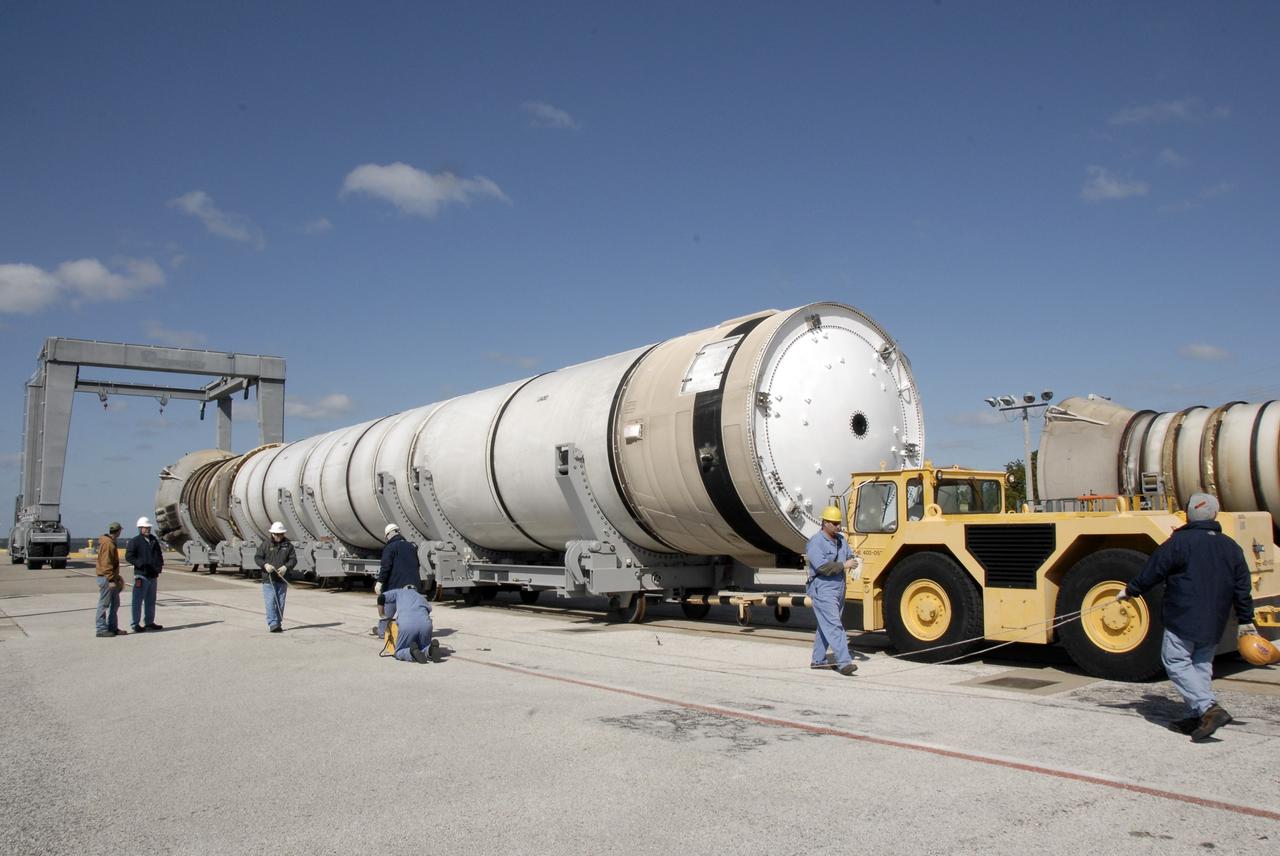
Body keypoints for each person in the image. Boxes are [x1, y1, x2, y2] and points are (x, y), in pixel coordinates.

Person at [1119, 492, 1255, 742]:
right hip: (1216, 618)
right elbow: (1242, 586)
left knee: (1175, 660)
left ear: (1188, 514)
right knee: (1200, 665)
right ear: (1214, 514)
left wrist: (1130, 591)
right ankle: (1198, 716)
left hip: (1184, 614)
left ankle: (1207, 708)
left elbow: (1153, 571)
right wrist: (1246, 620)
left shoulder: (1179, 542)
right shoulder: (1230, 546)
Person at [805, 505, 860, 676]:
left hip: (839, 587)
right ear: (824, 523)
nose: (838, 526)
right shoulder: (816, 542)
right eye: (834, 523)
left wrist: (856, 560)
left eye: (839, 523)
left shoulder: (841, 540)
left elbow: (849, 555)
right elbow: (822, 567)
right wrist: (844, 565)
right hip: (823, 588)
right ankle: (844, 663)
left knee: (825, 626)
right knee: (834, 625)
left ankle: (818, 660)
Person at [371, 523, 421, 637]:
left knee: (388, 608)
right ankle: (409, 632)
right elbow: (417, 565)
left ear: (388, 534)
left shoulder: (390, 547)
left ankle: (383, 631)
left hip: (396, 585)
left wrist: (379, 582)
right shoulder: (411, 546)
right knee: (408, 611)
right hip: (413, 585)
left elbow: (386, 567)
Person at [378, 585, 439, 664]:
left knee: (399, 651)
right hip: (425, 625)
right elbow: (427, 611)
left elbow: (381, 597)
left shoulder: (398, 592)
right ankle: (430, 650)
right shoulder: (421, 597)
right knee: (423, 647)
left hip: (407, 624)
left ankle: (411, 652)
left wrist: (382, 614)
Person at [255, 521, 297, 633]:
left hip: (282, 579)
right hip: (268, 579)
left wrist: (285, 567)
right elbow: (258, 557)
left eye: (281, 534)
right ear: (272, 534)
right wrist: (265, 565)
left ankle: (278, 623)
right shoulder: (265, 545)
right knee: (270, 601)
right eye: (276, 534)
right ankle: (273, 624)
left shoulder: (288, 546)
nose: (279, 536)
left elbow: (293, 560)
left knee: (280, 602)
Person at [125, 516, 164, 632]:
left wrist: (159, 565)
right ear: (140, 528)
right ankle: (135, 624)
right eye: (145, 528)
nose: (147, 529)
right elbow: (129, 556)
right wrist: (140, 564)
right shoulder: (135, 541)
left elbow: (158, 554)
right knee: (137, 601)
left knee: (151, 601)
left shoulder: (153, 540)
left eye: (148, 528)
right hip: (141, 575)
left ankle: (149, 623)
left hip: (152, 576)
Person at [95, 522, 127, 637]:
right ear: (118, 531)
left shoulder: (110, 542)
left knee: (115, 603)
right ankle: (101, 629)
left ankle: (112, 627)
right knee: (104, 604)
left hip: (110, 577)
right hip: (106, 579)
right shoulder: (108, 544)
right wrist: (111, 580)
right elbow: (106, 563)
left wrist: (117, 578)